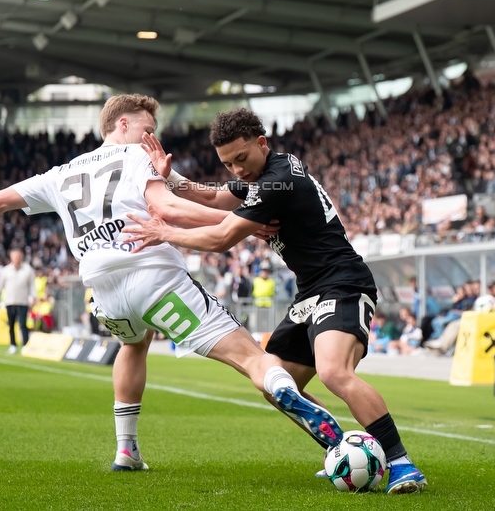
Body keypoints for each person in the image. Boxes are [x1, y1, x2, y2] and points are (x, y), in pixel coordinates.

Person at [0, 94, 345, 474]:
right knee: (251, 359)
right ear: (121, 124)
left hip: (104, 294)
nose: (154, 140)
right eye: (147, 129)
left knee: (134, 345)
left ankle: (126, 449)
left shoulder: (59, 174)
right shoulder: (134, 156)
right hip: (154, 277)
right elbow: (168, 211)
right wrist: (245, 221)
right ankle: (291, 397)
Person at [127, 108, 427, 494]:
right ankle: (343, 449)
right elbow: (216, 196)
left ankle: (403, 465)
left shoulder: (275, 182)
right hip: (311, 291)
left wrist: (165, 231)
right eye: (228, 163)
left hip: (342, 283)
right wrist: (169, 176)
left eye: (242, 158)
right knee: (276, 385)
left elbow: (221, 239)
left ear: (261, 143)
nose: (237, 170)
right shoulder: (268, 175)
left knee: (334, 372)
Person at [0, 249, 35, 355]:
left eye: (18, 257)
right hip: (10, 301)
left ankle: (25, 344)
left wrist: (33, 297)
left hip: (23, 301)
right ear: (11, 258)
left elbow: (32, 285)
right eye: (15, 257)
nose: (17, 259)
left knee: (23, 324)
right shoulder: (6, 270)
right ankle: (13, 345)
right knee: (11, 324)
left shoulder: (28, 270)